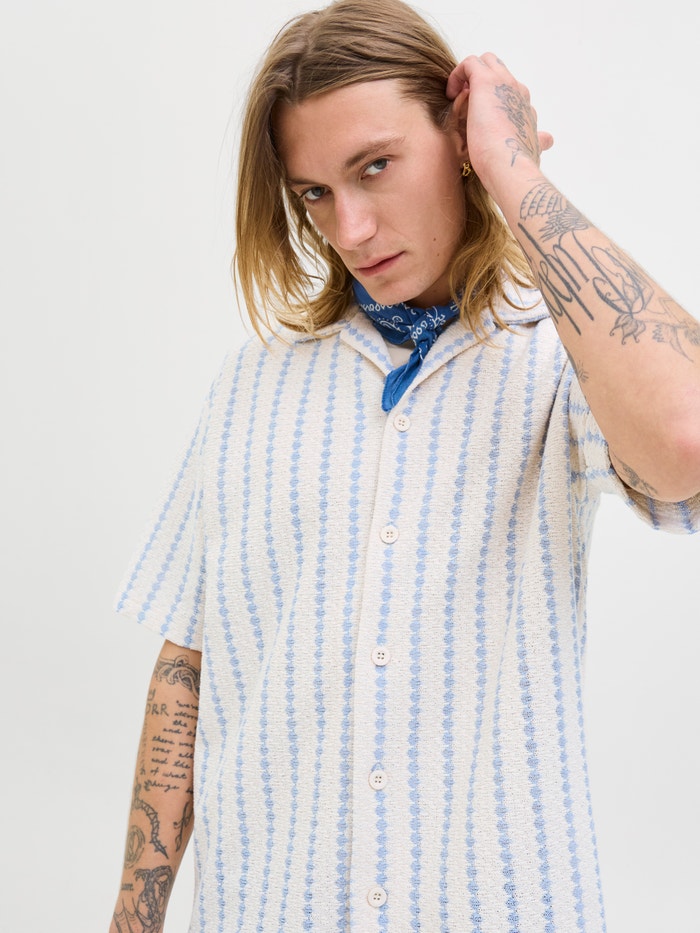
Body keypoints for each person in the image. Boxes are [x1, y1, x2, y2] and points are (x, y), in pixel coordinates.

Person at [109, 1, 700, 930]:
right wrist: (131, 919)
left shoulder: (560, 360)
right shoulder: (249, 386)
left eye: (375, 167)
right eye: (313, 192)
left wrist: (515, 171)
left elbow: (687, 436)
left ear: (457, 141)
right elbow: (188, 663)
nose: (348, 228)